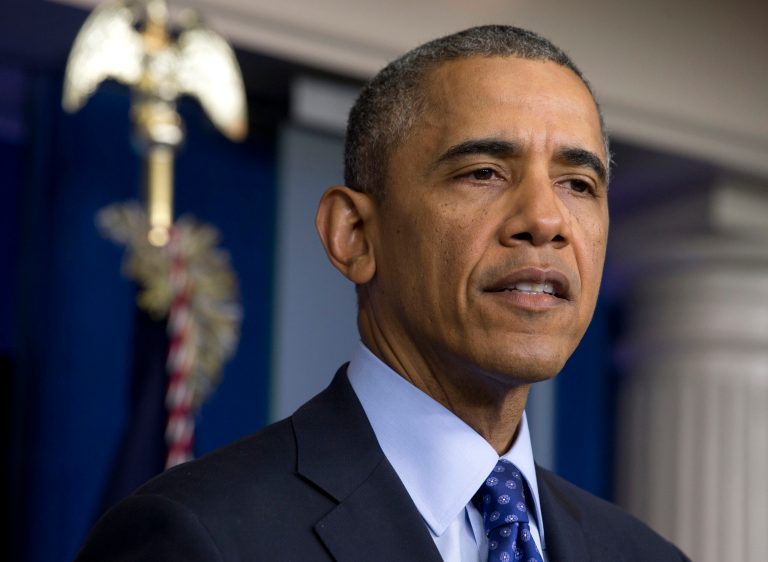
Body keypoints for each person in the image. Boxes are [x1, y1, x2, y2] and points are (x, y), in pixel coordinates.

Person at [77, 25, 690, 561]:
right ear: (354, 236)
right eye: (482, 173)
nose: (545, 220)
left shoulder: (645, 556)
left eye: (579, 184)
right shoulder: (198, 536)